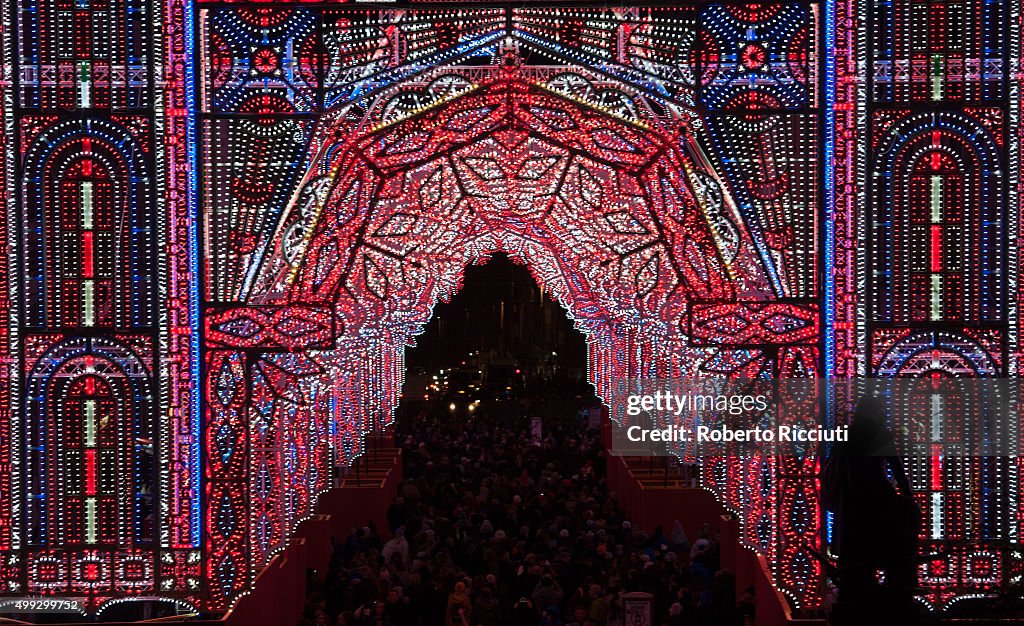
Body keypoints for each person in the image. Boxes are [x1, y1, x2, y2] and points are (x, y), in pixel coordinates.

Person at [822, 395, 921, 624]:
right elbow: (896, 467)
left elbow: (833, 467)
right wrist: (908, 497)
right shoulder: (879, 433)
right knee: (894, 541)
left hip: (852, 497)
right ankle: (896, 580)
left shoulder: (846, 435)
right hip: (877, 494)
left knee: (856, 550)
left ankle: (858, 580)